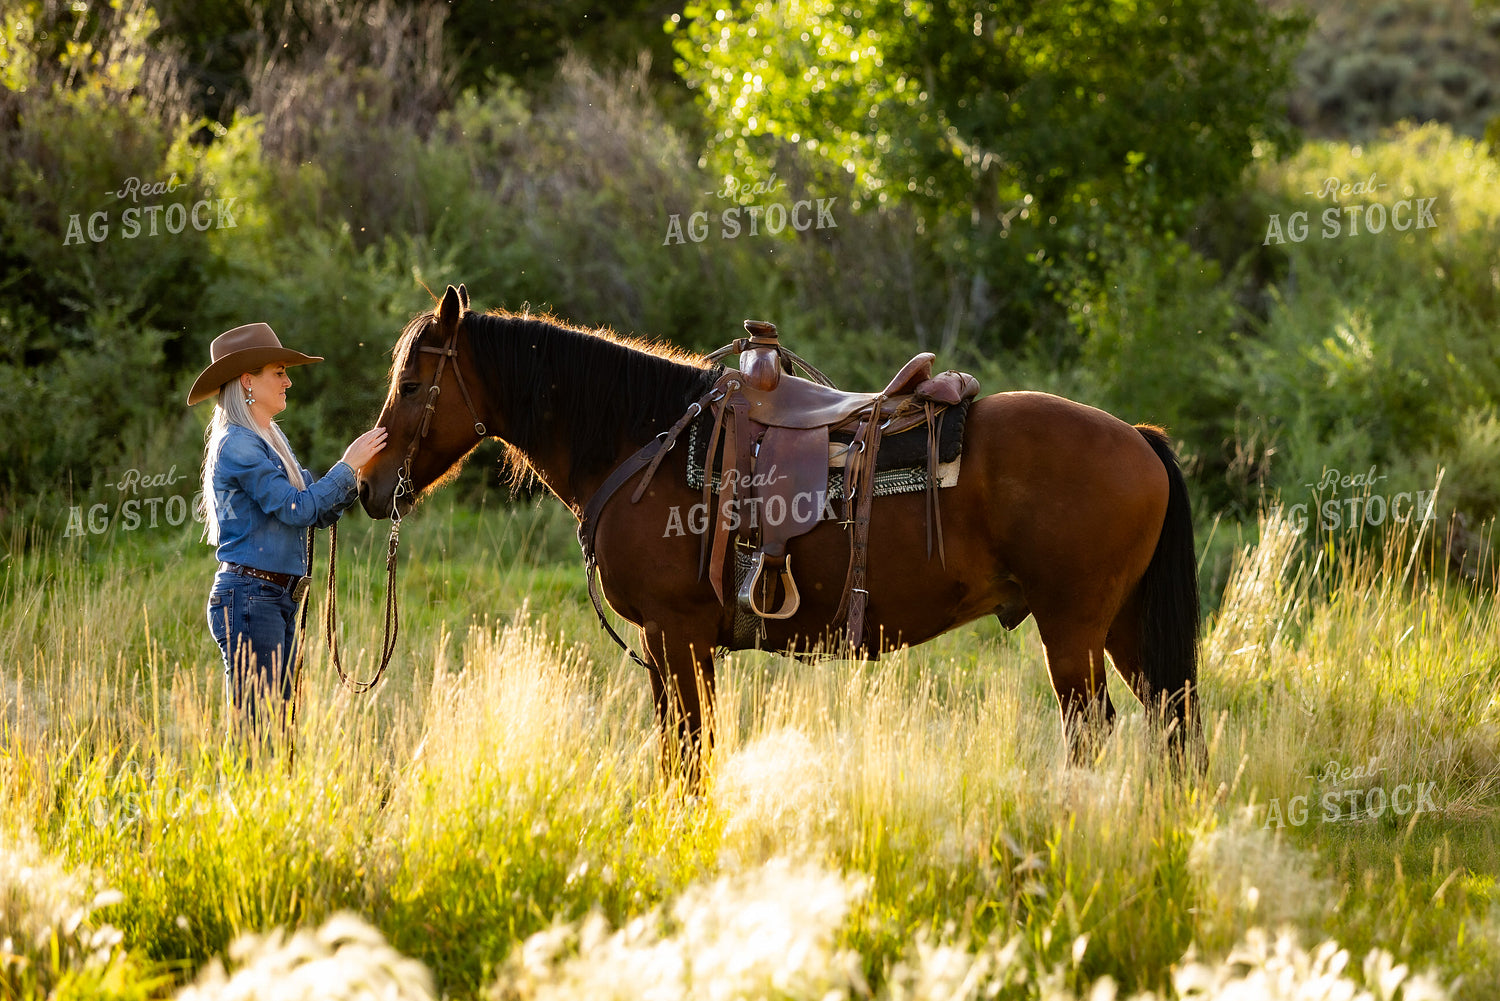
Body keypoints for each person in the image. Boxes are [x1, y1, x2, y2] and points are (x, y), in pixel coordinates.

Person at [187, 322, 386, 740]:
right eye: (278, 371)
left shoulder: (268, 439)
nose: (288, 381)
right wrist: (349, 466)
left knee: (273, 730)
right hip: (251, 598)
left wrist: (357, 476)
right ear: (247, 381)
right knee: (259, 735)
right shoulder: (240, 445)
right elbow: (299, 508)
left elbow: (316, 507)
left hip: (266, 597)